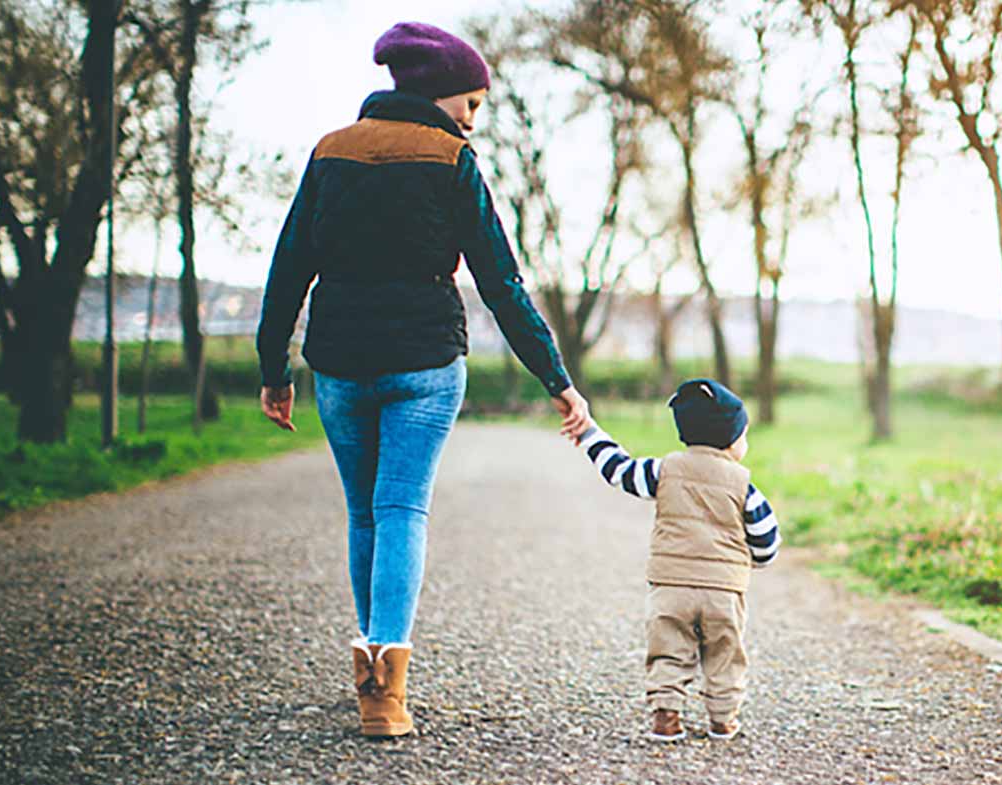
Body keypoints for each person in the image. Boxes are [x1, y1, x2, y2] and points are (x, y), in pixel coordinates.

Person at [254, 21, 590, 738]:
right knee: (402, 508)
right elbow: (502, 282)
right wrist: (557, 379)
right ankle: (386, 691)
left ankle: (371, 672)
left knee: (366, 513)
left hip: (340, 361)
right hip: (428, 364)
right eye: (470, 101)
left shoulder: (331, 152)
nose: (474, 117)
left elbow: (288, 268)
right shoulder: (450, 157)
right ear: (439, 94)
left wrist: (271, 366)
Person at [572, 379, 781, 742]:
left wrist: (589, 433)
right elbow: (766, 539)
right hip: (724, 592)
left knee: (669, 650)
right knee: (725, 654)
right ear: (732, 440)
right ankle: (723, 719)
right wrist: (757, 560)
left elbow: (618, 470)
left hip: (671, 587)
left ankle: (666, 716)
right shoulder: (744, 485)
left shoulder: (663, 470)